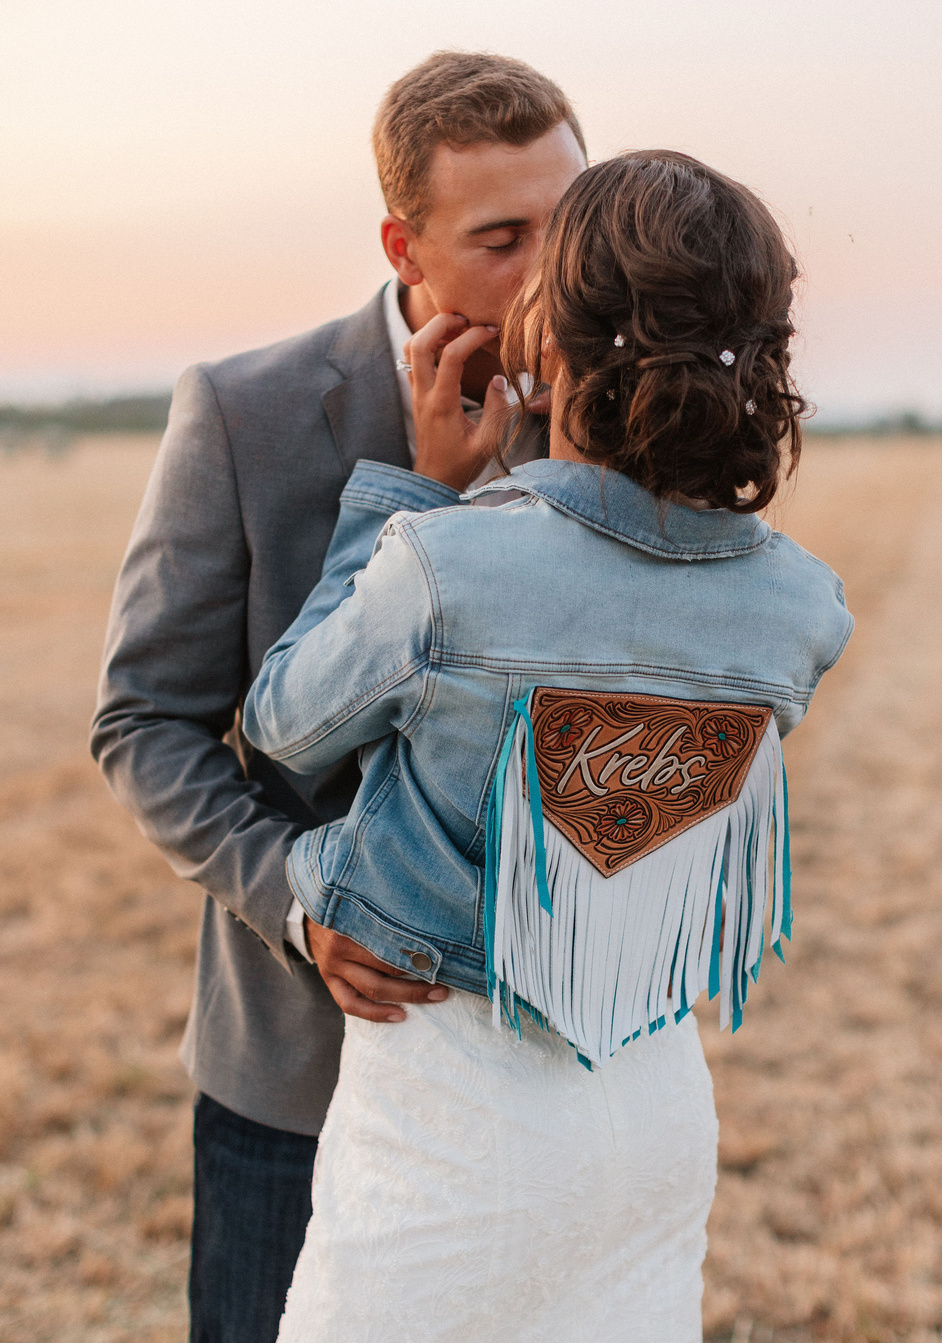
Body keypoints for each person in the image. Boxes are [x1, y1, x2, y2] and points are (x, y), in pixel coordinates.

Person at [243, 150, 855, 1341]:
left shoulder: (452, 565)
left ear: (553, 339)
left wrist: (409, 496)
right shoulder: (800, 606)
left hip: (458, 1122)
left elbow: (282, 723)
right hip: (656, 1099)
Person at [89, 51, 587, 1343]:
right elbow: (145, 722)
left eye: (569, 221)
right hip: (300, 1073)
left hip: (549, 1075)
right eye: (502, 238)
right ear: (401, 243)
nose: (553, 270)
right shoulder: (246, 413)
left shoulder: (619, 419)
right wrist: (304, 901)